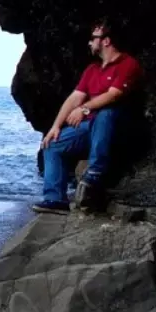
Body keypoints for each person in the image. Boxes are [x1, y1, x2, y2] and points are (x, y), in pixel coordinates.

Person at [31, 19, 143, 214]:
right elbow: (74, 98)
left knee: (107, 112)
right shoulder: (92, 70)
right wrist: (55, 127)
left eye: (93, 38)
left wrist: (84, 109)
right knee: (52, 144)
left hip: (119, 129)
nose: (89, 43)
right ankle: (55, 199)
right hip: (90, 129)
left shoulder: (128, 64)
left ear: (106, 41)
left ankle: (95, 173)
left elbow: (114, 94)